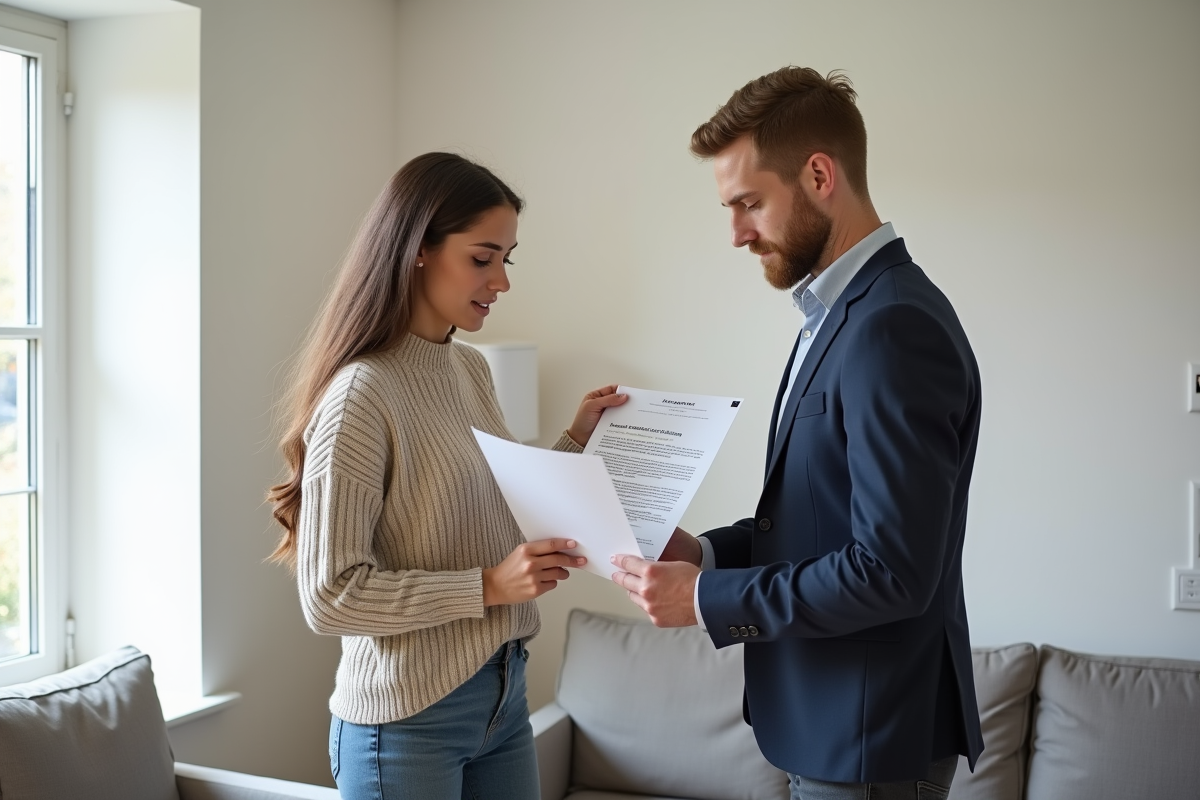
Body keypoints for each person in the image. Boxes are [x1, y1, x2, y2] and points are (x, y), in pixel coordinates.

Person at [611, 67, 985, 799]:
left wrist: (705, 602)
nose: (736, 233)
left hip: (866, 740)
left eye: (749, 203)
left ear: (819, 174)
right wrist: (707, 554)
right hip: (830, 727)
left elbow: (891, 571)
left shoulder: (891, 327)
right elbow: (823, 518)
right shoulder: (838, 315)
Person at [267, 152, 624, 799]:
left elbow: (501, 509)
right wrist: (489, 585)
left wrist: (578, 436)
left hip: (501, 698)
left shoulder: (468, 369)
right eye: (483, 258)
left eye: (506, 259)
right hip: (408, 724)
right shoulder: (362, 393)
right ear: (418, 250)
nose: (502, 282)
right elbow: (330, 595)